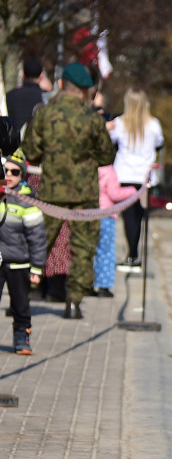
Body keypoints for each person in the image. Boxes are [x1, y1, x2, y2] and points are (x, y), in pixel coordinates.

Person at [21, 62, 116, 320]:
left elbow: (31, 152)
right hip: (84, 193)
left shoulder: (44, 114)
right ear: (85, 90)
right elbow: (107, 155)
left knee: (38, 245)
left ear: (62, 85)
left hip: (52, 192)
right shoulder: (92, 120)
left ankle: (23, 296)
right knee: (83, 247)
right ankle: (73, 303)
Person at [108, 87, 163, 272]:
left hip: (125, 175)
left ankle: (132, 255)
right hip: (143, 177)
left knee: (129, 218)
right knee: (137, 218)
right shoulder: (154, 124)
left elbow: (111, 141)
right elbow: (159, 143)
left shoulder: (120, 123)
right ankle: (134, 254)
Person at [1, 149, 47, 354]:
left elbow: (37, 238)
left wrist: (37, 268)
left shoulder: (27, 202)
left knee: (20, 304)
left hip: (19, 262)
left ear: (23, 176)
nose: (9, 175)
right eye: (5, 171)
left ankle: (22, 336)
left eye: (15, 172)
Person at [93, 164, 137, 297]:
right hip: (106, 214)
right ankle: (104, 286)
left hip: (89, 213)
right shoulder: (109, 171)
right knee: (106, 251)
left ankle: (87, 283)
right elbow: (114, 193)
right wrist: (132, 190)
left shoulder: (89, 167)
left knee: (90, 250)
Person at [5, 58, 50, 133]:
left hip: (16, 141)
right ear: (41, 75)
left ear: (23, 74)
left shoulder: (10, 95)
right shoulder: (46, 96)